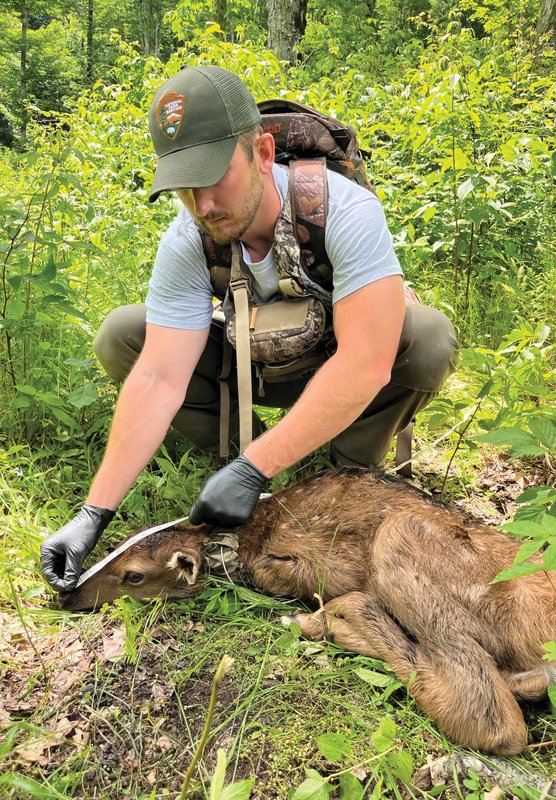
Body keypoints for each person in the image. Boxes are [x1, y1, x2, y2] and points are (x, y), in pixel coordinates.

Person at [40, 66, 458, 592]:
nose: (203, 206)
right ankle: (240, 459)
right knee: (126, 332)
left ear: (261, 154)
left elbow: (365, 361)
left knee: (427, 337)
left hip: (342, 373)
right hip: (255, 363)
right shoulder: (191, 237)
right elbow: (158, 377)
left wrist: (254, 469)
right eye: (185, 190)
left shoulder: (343, 210)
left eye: (214, 179)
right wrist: (93, 512)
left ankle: (345, 471)